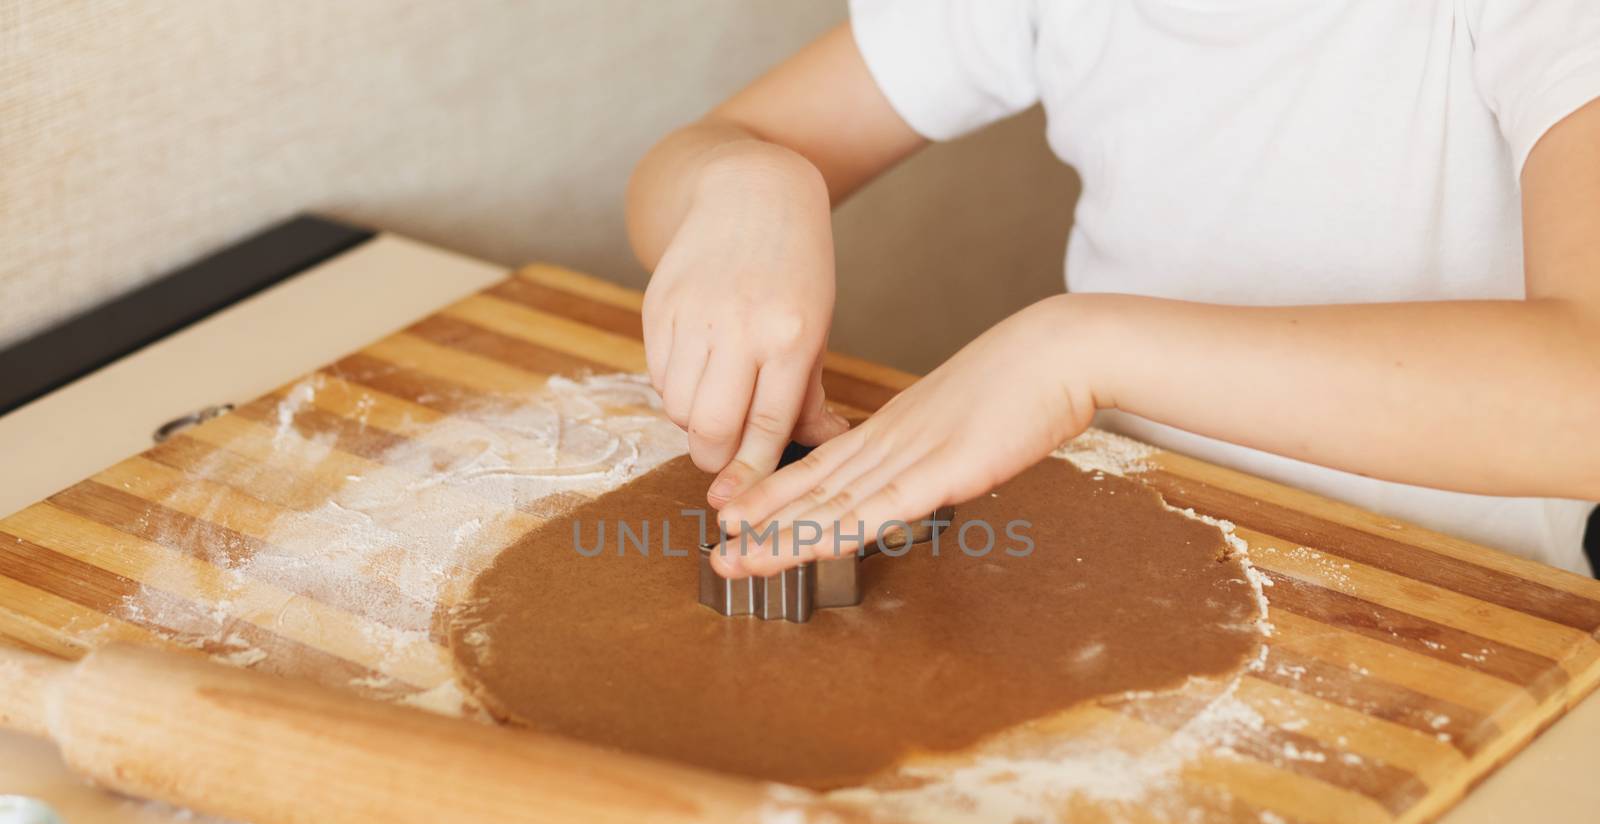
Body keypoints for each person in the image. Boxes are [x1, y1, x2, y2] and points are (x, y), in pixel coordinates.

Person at [624, 2, 1600, 578]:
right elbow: (693, 160)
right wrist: (746, 183)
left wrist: (1078, 354)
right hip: (1136, 565)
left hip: (1461, 605)